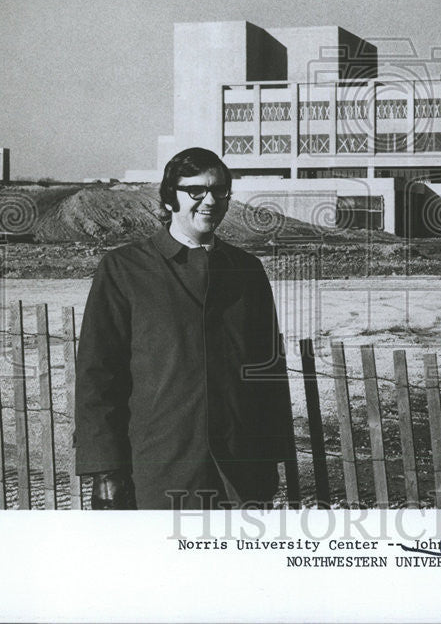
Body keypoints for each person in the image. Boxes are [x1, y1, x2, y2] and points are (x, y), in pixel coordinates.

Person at [74, 147, 294, 509]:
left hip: (239, 475)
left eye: (220, 190)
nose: (210, 201)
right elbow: (98, 376)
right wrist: (106, 470)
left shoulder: (246, 270)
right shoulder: (124, 269)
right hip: (158, 472)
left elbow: (267, 372)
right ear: (168, 198)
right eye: (196, 191)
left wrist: (270, 459)